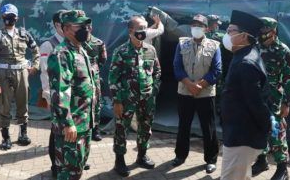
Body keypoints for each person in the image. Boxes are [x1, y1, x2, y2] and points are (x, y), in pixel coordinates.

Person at [220, 10, 272, 180]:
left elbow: (256, 103)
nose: (226, 35)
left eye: (230, 31)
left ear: (243, 36)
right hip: (239, 133)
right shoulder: (244, 55)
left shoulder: (246, 63)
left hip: (242, 137)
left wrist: (266, 128)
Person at [109, 15, 161, 177]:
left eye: (145, 28)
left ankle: (141, 155)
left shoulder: (150, 50)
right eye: (140, 28)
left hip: (147, 98)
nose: (143, 31)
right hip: (126, 99)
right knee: (121, 129)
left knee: (145, 127)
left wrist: (154, 89)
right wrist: (117, 100)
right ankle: (119, 160)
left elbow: (157, 71)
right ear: (130, 31)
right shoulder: (121, 51)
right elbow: (113, 78)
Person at [47, 10, 96, 180]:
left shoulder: (81, 50)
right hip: (72, 126)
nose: (86, 29)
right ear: (67, 29)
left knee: (78, 168)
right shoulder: (62, 53)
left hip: (84, 123)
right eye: (81, 26)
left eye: (87, 25)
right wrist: (68, 123)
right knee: (68, 172)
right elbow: (59, 91)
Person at [0, 3, 40, 150]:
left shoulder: (24, 34)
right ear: (3, 17)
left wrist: (35, 65)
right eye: (6, 15)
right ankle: (6, 138)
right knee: (4, 105)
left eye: (12, 16)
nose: (9, 18)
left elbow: (36, 50)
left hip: (22, 73)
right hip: (3, 74)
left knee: (23, 103)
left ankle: (23, 134)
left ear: (16, 17)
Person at [172, 14, 221, 174]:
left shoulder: (214, 46)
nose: (196, 28)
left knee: (208, 127)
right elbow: (177, 66)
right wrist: (189, 84)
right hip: (185, 92)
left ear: (206, 28)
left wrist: (199, 86)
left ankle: (211, 159)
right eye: (193, 25)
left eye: (199, 25)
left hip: (205, 93)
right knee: (183, 125)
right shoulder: (182, 43)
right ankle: (180, 156)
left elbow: (217, 70)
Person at [251, 17, 290, 180]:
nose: (261, 35)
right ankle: (261, 161)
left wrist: (287, 102)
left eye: (264, 31)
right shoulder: (255, 46)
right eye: (260, 31)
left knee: (277, 132)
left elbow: (289, 78)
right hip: (257, 96)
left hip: (274, 99)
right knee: (258, 129)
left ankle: (283, 169)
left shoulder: (282, 50)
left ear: (273, 31)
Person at [38, 10, 66, 177]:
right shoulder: (49, 45)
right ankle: (55, 166)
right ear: (57, 25)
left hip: (72, 97)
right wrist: (48, 95)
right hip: (56, 96)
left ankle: (71, 161)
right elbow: (44, 72)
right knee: (56, 132)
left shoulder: (73, 43)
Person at [83, 22, 107, 141]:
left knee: (96, 103)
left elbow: (103, 60)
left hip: (94, 78)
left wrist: (94, 69)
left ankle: (95, 129)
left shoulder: (98, 43)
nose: (86, 29)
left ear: (91, 28)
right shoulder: (76, 43)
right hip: (80, 77)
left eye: (88, 27)